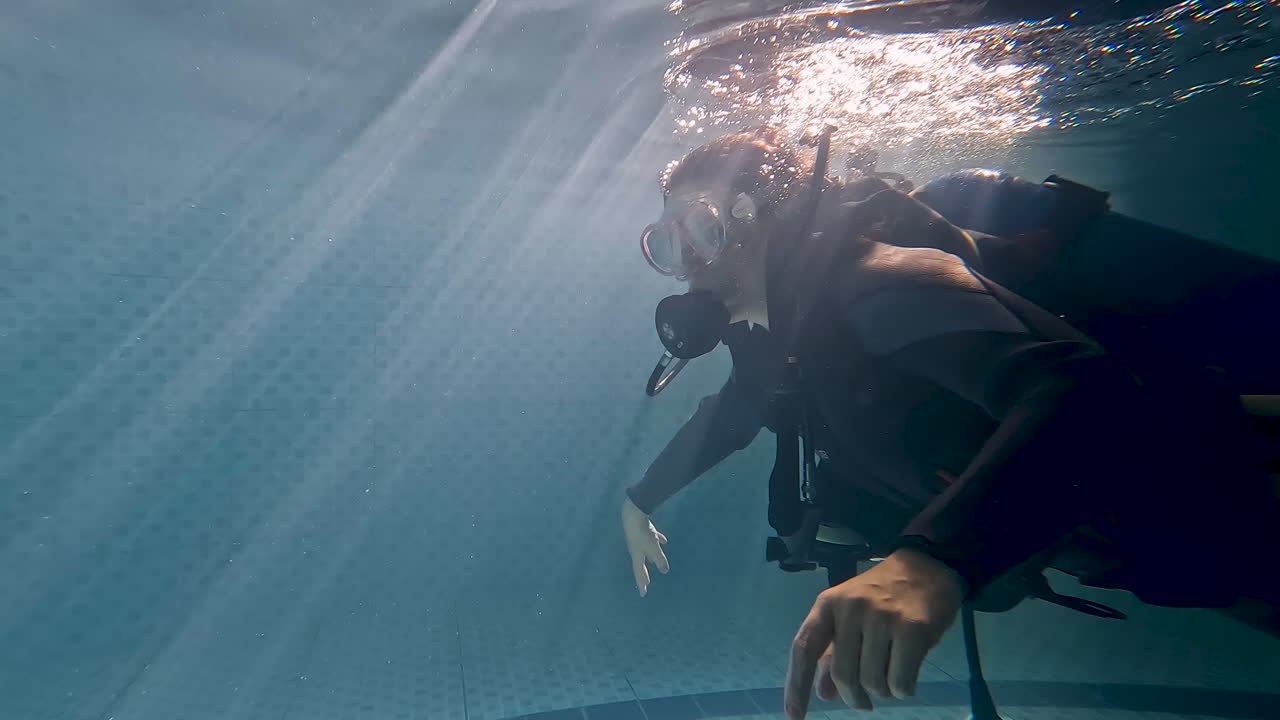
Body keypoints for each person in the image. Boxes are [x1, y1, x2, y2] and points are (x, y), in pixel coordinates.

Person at [620, 127, 1280, 718]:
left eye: (702, 231)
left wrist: (933, 562)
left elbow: (1083, 388)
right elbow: (737, 410)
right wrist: (639, 501)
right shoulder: (770, 335)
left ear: (772, 220)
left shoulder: (880, 283)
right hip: (1138, 548)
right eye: (667, 243)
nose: (688, 263)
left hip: (1226, 495)